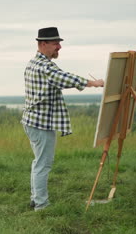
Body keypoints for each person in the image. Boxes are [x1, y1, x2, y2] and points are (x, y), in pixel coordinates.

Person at [21, 27, 104, 211]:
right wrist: (93, 83)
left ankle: (36, 199)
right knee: (43, 164)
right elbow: (66, 78)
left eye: (59, 43)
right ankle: (41, 206)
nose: (59, 47)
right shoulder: (45, 66)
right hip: (40, 124)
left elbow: (61, 78)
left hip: (33, 122)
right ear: (43, 44)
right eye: (55, 43)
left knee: (39, 162)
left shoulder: (33, 62)